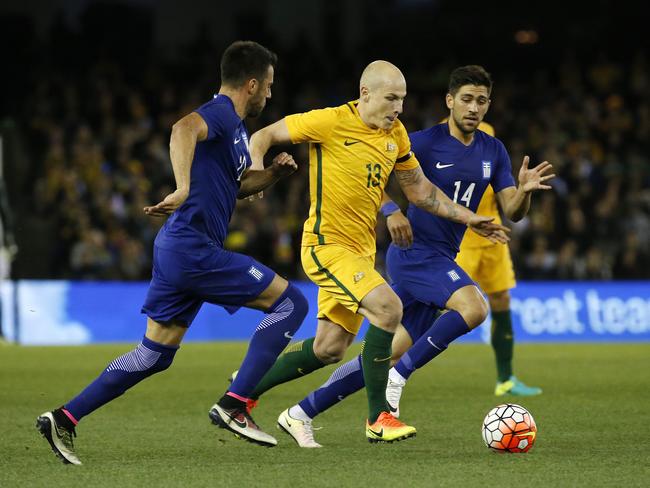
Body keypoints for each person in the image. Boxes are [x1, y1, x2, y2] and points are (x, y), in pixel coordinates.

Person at [36, 41, 309, 465]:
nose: (270, 95)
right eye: (268, 87)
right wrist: (181, 187)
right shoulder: (218, 112)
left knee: (153, 355)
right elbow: (182, 129)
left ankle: (65, 418)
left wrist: (272, 174)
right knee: (291, 303)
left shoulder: (235, 130)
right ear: (251, 84)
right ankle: (236, 403)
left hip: (179, 248)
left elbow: (236, 189)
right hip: (194, 249)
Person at [273, 65, 553, 448]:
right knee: (474, 308)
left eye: (482, 101)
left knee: (382, 355)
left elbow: (513, 210)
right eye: (466, 99)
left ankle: (300, 412)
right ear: (450, 101)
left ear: (489, 105)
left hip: (442, 255)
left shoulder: (494, 150)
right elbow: (368, 177)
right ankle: (398, 380)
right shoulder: (421, 141)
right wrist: (391, 210)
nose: (474, 108)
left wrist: (525, 190)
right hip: (414, 253)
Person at [454, 122, 542, 396]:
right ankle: (394, 362)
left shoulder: (491, 143)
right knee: (435, 306)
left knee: (501, 299)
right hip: (460, 239)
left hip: (493, 237)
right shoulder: (445, 140)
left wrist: (522, 190)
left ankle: (506, 378)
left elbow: (509, 202)